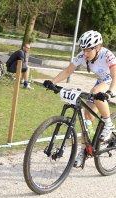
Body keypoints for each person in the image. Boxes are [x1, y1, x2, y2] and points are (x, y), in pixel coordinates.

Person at [43, 30, 116, 168]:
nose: (85, 53)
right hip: (100, 82)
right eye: (83, 49)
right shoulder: (83, 55)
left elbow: (114, 75)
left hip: (111, 81)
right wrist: (52, 82)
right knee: (86, 116)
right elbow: (68, 71)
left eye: (88, 50)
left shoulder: (108, 55)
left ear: (98, 47)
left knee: (95, 92)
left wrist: (111, 92)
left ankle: (108, 123)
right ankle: (84, 150)